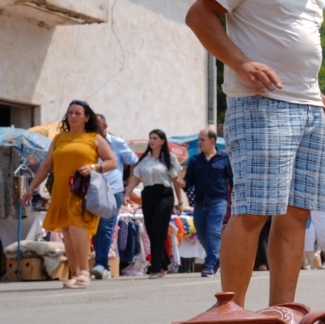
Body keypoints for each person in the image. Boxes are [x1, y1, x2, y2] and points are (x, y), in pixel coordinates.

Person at [185, 0, 325, 307]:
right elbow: (199, 15)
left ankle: (282, 315)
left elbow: (292, 52)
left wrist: (323, 99)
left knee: (297, 213)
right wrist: (241, 63)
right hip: (260, 103)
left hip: (308, 108)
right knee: (253, 211)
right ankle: (231, 315)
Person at [20, 100, 117, 289]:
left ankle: (84, 272)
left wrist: (94, 167)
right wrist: (31, 188)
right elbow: (47, 166)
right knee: (67, 232)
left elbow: (112, 162)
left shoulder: (94, 138)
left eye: (77, 113)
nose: (73, 116)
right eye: (70, 112)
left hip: (82, 190)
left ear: (86, 117)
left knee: (76, 228)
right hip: (60, 190)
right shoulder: (59, 139)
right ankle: (74, 273)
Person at [123, 129, 187, 278]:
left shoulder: (170, 158)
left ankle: (156, 266)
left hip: (164, 194)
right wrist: (127, 194)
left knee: (159, 228)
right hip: (148, 194)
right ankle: (164, 263)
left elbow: (175, 181)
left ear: (162, 141)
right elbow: (135, 178)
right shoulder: (145, 160)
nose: (151, 141)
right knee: (151, 230)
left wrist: (180, 201)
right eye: (150, 138)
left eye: (155, 138)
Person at [90, 113, 138, 280]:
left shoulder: (116, 142)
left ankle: (101, 264)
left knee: (105, 227)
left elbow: (132, 160)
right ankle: (100, 262)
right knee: (93, 228)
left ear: (105, 126)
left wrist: (127, 186)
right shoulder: (88, 142)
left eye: (98, 124)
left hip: (113, 190)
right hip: (92, 190)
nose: (95, 127)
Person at [180, 128, 232, 277]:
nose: (199, 142)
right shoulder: (195, 160)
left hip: (218, 201)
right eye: (199, 139)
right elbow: (189, 180)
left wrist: (235, 200)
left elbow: (232, 180)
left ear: (212, 141)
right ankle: (216, 258)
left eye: (202, 140)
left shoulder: (224, 159)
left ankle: (209, 264)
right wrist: (183, 183)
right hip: (200, 202)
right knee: (202, 233)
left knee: (213, 231)